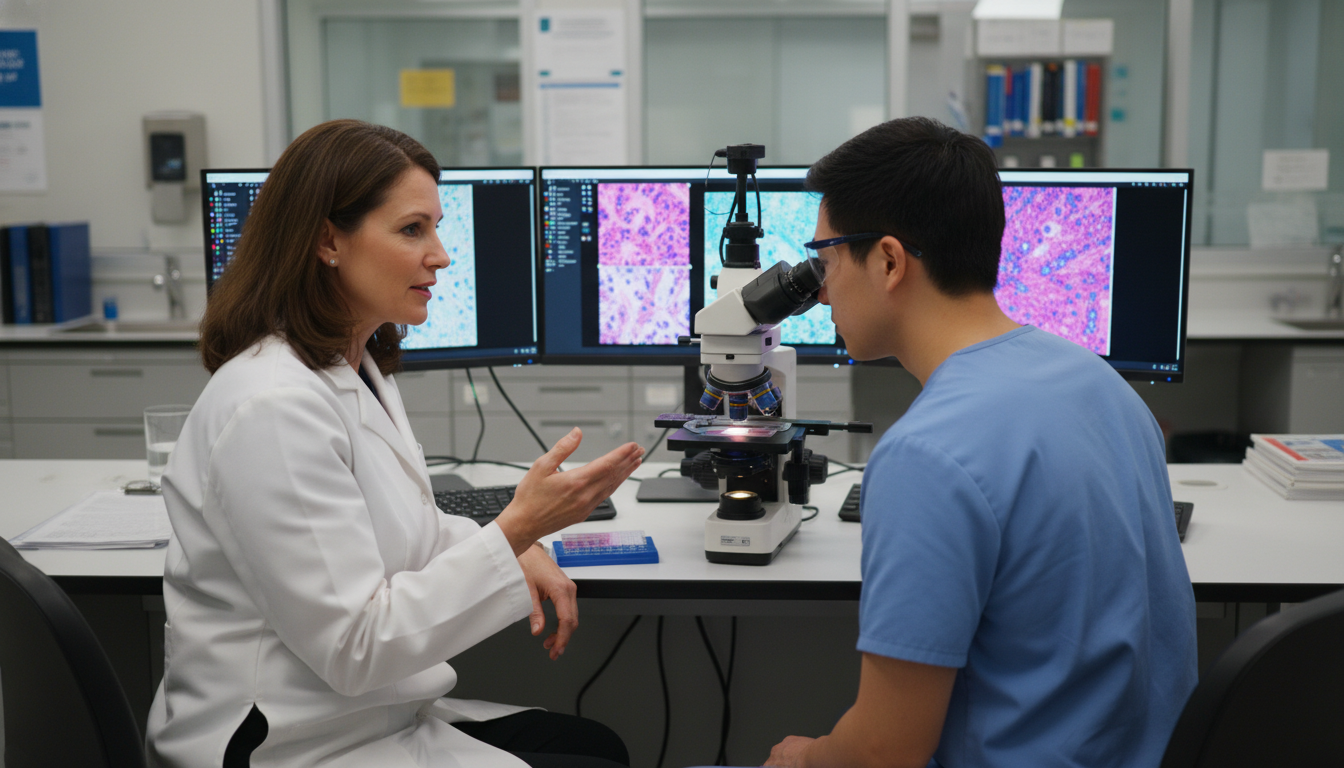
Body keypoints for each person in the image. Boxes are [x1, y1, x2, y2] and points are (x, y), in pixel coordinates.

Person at [146, 119, 644, 768]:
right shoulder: (272, 406)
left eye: (436, 228)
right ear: (328, 240)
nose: (440, 255)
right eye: (413, 229)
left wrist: (517, 543)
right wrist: (515, 528)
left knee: (600, 747)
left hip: (359, 718)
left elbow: (401, 532)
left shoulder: (353, 369)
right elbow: (355, 647)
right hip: (289, 744)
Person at [764, 118, 1198, 768]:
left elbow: (885, 752)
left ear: (889, 261)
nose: (820, 290)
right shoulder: (1105, 387)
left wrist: (801, 759)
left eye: (826, 261)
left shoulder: (927, 456)